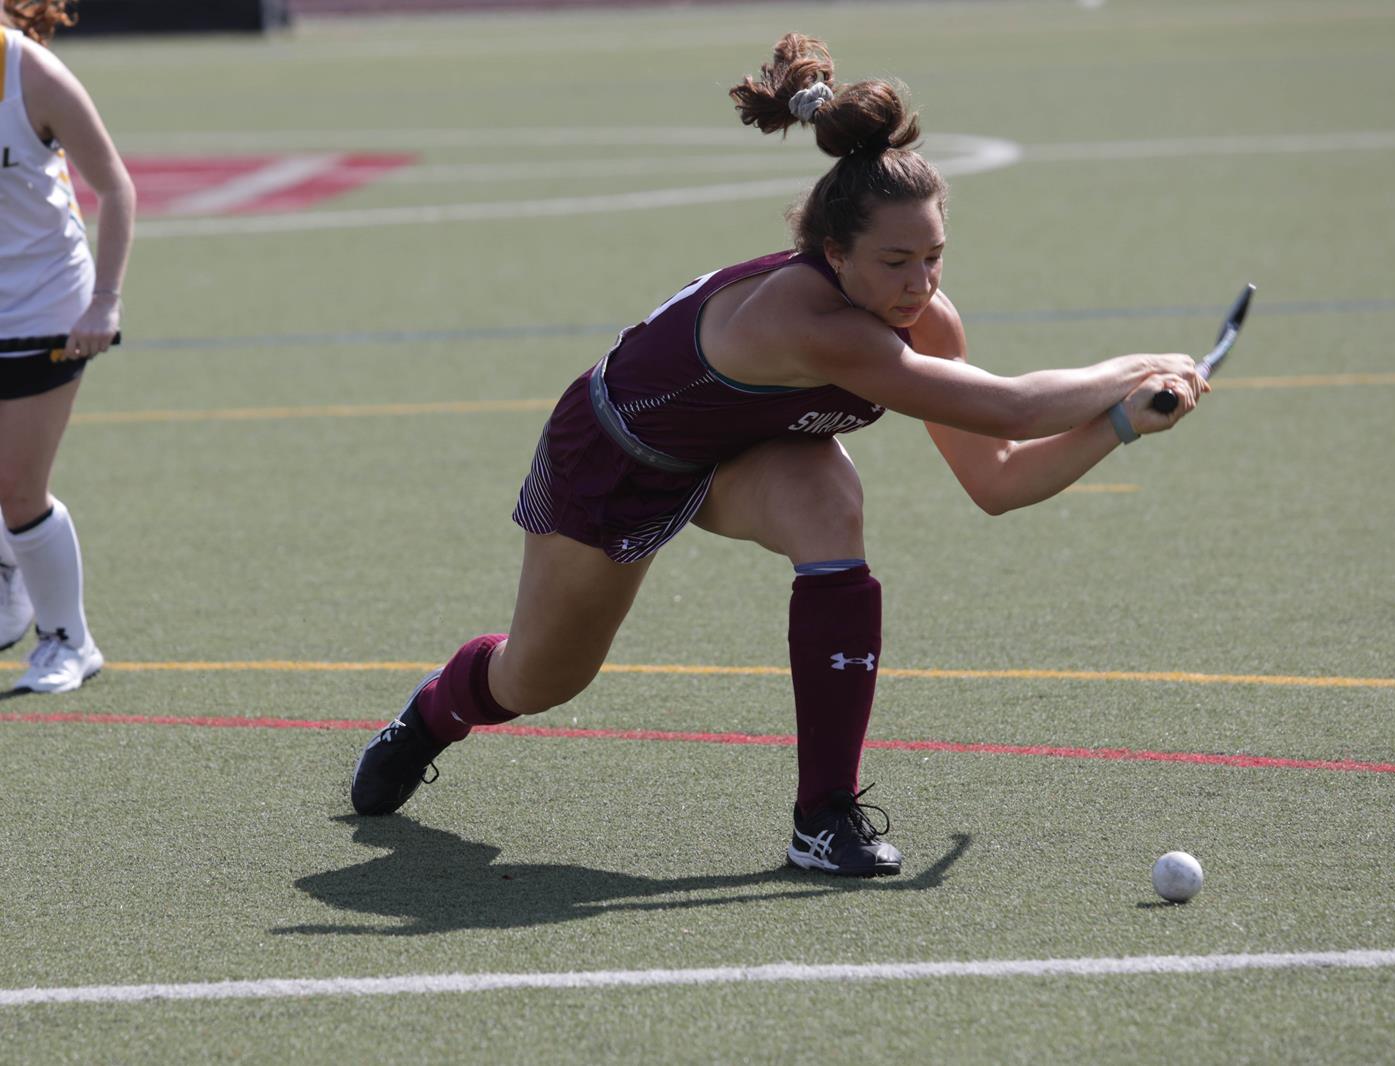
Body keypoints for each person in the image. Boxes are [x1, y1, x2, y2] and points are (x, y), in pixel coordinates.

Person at [351, 33, 1205, 877]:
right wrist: (1146, 363)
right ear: (834, 253)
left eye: (935, 258)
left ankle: (824, 818)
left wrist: (1119, 424)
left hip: (742, 454)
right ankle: (433, 714)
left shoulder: (922, 321)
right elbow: (1014, 403)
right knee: (538, 680)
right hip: (617, 454)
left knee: (831, 501)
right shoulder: (812, 324)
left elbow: (1000, 478)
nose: (921, 285)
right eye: (896, 261)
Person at [0, 1, 133, 693]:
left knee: (19, 489)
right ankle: (11, 577)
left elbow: (115, 185)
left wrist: (105, 301)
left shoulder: (31, 73)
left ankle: (68, 642)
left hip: (44, 303)